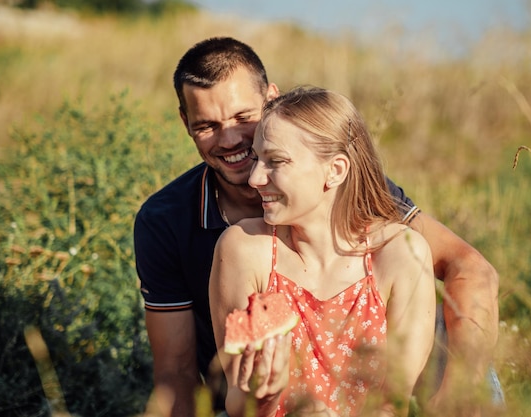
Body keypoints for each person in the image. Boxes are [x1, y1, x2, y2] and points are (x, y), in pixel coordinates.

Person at [134, 36, 500, 417]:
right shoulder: (173, 223)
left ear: (271, 100)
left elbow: (469, 268)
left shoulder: (349, 193)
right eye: (207, 125)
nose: (229, 140)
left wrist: (461, 390)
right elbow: (176, 371)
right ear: (186, 122)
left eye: (243, 118)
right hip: (255, 401)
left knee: (455, 332)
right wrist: (259, 391)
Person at [209, 86, 436, 417]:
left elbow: (392, 404)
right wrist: (264, 397)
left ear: (336, 170)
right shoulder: (243, 249)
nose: (255, 177)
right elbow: (237, 400)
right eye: (258, 158)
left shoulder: (400, 254)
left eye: (276, 161)